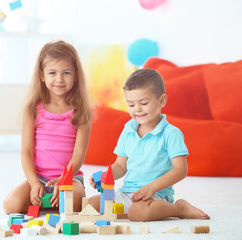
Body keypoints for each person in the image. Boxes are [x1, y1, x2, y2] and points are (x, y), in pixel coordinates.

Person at [89, 68, 210, 221]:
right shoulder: (128, 131)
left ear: (162, 101)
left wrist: (152, 187)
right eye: (131, 105)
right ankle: (128, 211)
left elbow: (181, 170)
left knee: (138, 213)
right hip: (127, 193)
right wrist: (106, 175)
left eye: (144, 103)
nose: (137, 109)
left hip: (156, 194)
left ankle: (179, 208)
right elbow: (120, 166)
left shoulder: (171, 133)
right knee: (89, 205)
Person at [3, 40, 92, 214]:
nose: (59, 79)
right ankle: (45, 200)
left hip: (70, 179)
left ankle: (51, 202)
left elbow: (79, 155)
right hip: (39, 179)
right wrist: (35, 183)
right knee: (11, 205)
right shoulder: (33, 109)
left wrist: (63, 180)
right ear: (42, 75)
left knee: (73, 204)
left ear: (76, 76)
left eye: (66, 73)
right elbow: (26, 153)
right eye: (52, 73)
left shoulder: (82, 111)